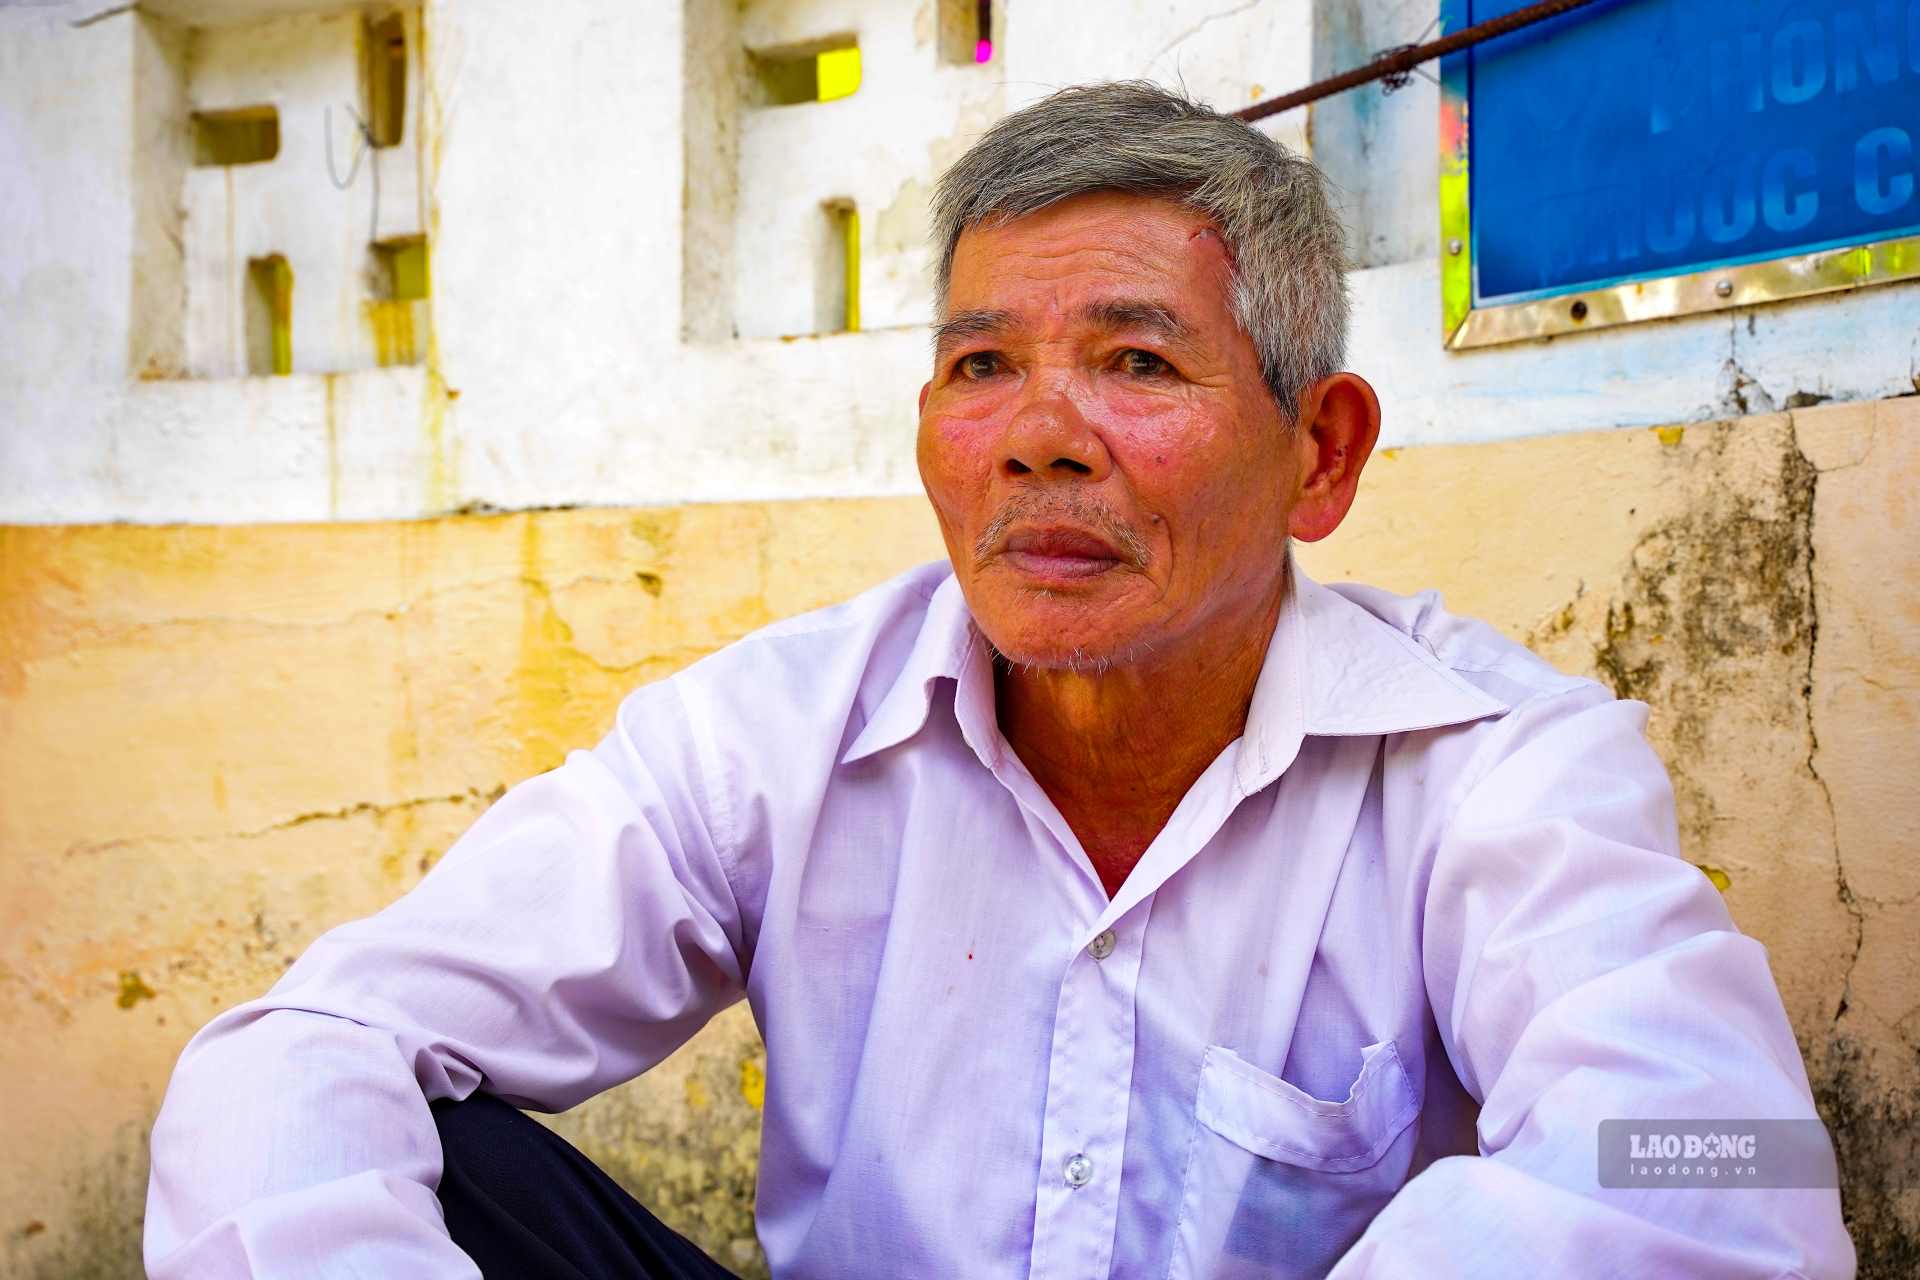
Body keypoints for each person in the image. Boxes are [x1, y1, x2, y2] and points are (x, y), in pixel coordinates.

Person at [144, 82, 1854, 1279]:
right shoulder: (776, 737)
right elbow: (301, 1044)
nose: (1040, 438)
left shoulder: (1497, 767)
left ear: (1318, 455)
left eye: (1134, 359)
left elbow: (1729, 1163)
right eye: (982, 368)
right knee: (412, 1140)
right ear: (927, 437)